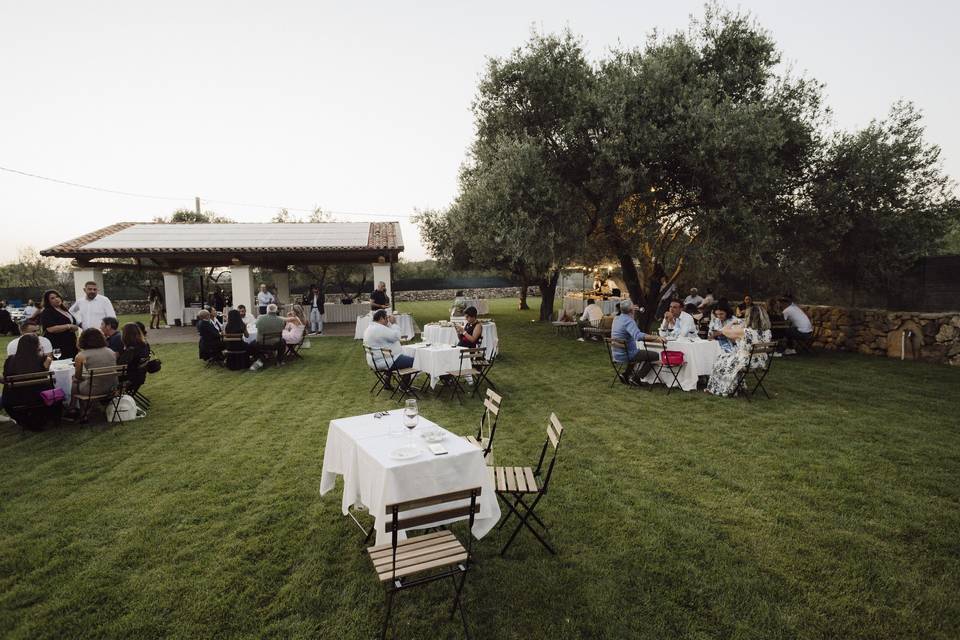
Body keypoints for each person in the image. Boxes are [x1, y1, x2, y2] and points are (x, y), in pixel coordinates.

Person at [706, 306, 773, 397]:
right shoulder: (767, 331)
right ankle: (737, 385)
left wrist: (733, 321)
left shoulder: (745, 332)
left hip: (746, 362)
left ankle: (721, 388)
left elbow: (724, 331)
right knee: (726, 358)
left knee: (720, 360)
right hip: (761, 361)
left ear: (749, 317)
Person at [2, 334, 57, 429]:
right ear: (37, 346)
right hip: (39, 397)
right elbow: (44, 376)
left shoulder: (10, 360)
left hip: (13, 398)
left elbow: (6, 376)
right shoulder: (45, 359)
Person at [64, 328, 119, 418]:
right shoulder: (111, 351)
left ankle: (73, 408)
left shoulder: (81, 355)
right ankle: (79, 408)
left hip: (92, 390)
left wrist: (82, 378)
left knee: (74, 379)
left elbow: (78, 377)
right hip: (112, 388)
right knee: (84, 380)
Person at [611, 299, 665, 382]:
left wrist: (632, 311)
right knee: (655, 355)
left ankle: (626, 374)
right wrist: (656, 338)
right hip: (627, 354)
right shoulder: (629, 321)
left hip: (617, 353)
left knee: (637, 351)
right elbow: (638, 336)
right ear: (631, 310)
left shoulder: (617, 318)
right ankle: (637, 378)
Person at [362, 309, 412, 390]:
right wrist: (394, 323)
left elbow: (387, 333)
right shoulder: (379, 329)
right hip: (384, 361)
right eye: (386, 318)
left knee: (402, 358)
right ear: (381, 318)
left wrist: (388, 324)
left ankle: (387, 382)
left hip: (375, 360)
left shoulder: (370, 328)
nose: (387, 321)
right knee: (414, 361)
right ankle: (403, 386)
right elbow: (396, 336)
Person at [38, 289, 80, 360]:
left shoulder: (64, 310)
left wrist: (75, 327)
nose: (56, 299)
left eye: (57, 296)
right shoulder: (47, 312)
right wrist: (68, 326)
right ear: (48, 301)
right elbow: (50, 329)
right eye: (52, 298)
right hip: (58, 343)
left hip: (70, 342)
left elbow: (73, 324)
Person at [116, 322, 150, 392]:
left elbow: (119, 366)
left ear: (126, 335)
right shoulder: (145, 345)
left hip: (129, 380)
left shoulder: (131, 350)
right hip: (140, 377)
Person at [252, 303, 286, 368]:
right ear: (276, 311)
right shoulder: (281, 320)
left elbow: (256, 326)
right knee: (283, 341)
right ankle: (280, 360)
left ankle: (259, 359)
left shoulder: (261, 318)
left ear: (267, 310)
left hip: (262, 344)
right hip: (276, 344)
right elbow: (283, 328)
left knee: (252, 344)